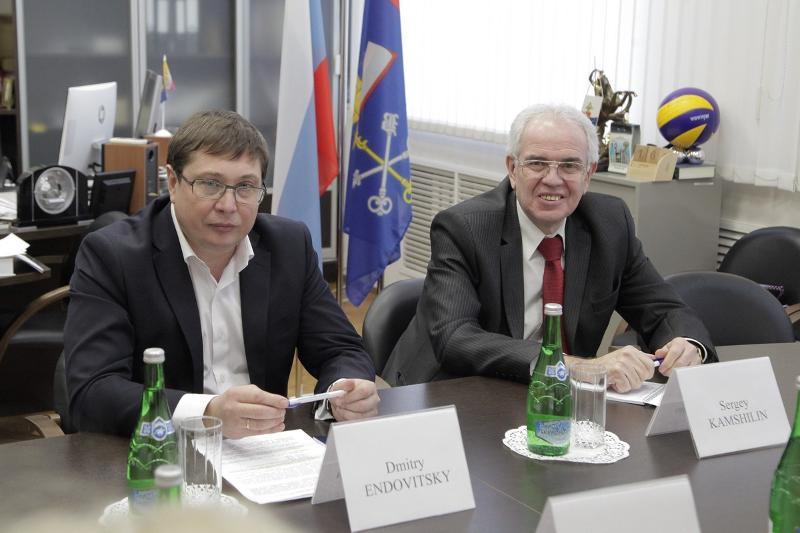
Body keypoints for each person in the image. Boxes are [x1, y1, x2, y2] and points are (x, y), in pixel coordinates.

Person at [64, 110, 379, 438]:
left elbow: (342, 349)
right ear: (173, 182)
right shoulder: (113, 255)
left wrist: (346, 388)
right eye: (210, 184)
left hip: (263, 449)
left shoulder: (288, 246)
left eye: (245, 187)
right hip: (156, 450)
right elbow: (92, 393)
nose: (228, 205)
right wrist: (207, 412)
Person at [383, 103, 717, 392]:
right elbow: (456, 338)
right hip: (455, 388)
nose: (553, 179)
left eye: (569, 165)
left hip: (556, 397)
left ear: (588, 174)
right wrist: (572, 366)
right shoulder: (464, 228)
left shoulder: (610, 224)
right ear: (513, 169)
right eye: (537, 163)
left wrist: (688, 345)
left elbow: (663, 309)